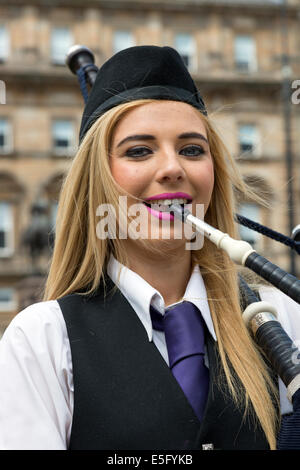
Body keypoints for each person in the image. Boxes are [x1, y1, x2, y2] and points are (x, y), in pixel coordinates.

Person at [0, 45, 300, 451]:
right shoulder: (43, 342)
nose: (173, 167)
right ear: (96, 183)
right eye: (138, 150)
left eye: (192, 149)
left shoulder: (282, 319)